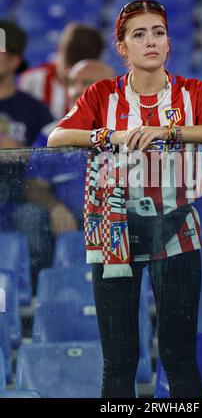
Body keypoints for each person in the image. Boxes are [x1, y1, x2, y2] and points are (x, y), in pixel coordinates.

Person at [48, 0, 202, 399]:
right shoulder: (101, 94)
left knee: (179, 355)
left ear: (168, 44)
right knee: (119, 358)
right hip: (112, 230)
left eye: (158, 32)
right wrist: (109, 136)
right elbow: (56, 137)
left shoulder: (192, 92)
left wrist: (170, 133)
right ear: (122, 48)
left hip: (176, 228)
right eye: (139, 34)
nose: (151, 41)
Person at [18, 59, 115, 288]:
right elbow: (31, 185)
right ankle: (41, 290)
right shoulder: (50, 133)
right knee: (28, 215)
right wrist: (55, 207)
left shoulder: (131, 131)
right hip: (66, 220)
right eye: (72, 83)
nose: (76, 90)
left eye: (87, 83)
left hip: (116, 215)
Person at [0, 19, 53, 230]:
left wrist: (23, 152)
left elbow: (51, 157)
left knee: (32, 216)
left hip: (20, 192)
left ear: (14, 61)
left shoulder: (35, 109)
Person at [19, 22, 114, 120]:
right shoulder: (33, 80)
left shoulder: (106, 83)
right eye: (69, 65)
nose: (72, 73)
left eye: (85, 80)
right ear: (59, 50)